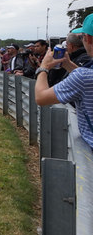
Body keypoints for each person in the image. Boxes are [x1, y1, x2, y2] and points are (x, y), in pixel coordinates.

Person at [35, 13, 93, 150]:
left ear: (88, 38)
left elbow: (41, 97)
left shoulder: (83, 77)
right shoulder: (84, 75)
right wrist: (67, 64)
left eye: (82, 37)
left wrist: (43, 68)